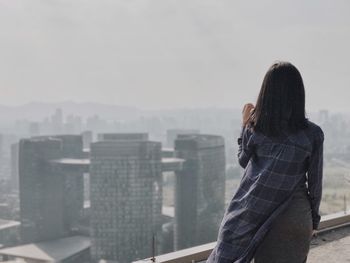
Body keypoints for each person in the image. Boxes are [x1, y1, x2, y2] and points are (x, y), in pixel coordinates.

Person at [206, 61, 324, 263]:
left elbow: (244, 161)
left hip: (253, 212)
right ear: (298, 94)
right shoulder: (312, 134)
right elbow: (315, 183)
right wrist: (314, 220)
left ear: (266, 93)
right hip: (294, 216)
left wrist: (244, 125)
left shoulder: (256, 127)